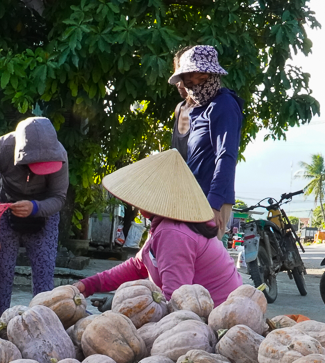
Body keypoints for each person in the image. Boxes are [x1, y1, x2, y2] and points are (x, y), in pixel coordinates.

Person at [73, 149, 241, 304]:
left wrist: (123, 306)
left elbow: (175, 303)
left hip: (217, 317)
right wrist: (90, 285)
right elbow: (138, 266)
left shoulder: (173, 233)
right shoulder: (165, 225)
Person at [0, 117, 68, 317]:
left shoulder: (60, 156)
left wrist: (35, 207)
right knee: (2, 274)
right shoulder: (5, 146)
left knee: (44, 275)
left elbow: (59, 197)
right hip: (6, 209)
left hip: (44, 212)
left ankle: (43, 320)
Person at [168, 45, 244, 240]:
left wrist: (213, 204)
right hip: (192, 198)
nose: (192, 86)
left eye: (197, 80)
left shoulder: (223, 105)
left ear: (210, 76)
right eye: (188, 82)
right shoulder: (198, 109)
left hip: (210, 202)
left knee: (203, 257)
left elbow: (226, 156)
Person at [170, 45, 195, 160]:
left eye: (183, 78)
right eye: (177, 78)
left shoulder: (209, 110)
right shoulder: (178, 109)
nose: (180, 84)